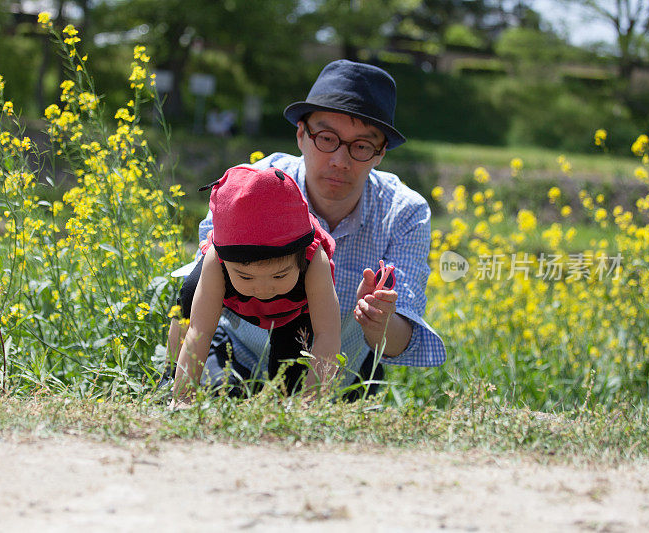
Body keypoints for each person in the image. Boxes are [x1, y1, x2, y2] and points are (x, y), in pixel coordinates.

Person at [174, 58, 447, 400]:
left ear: (381, 153)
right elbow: (199, 287)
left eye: (362, 146)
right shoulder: (249, 188)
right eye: (326, 138)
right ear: (301, 134)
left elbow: (401, 341)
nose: (340, 160)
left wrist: (378, 322)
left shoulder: (404, 212)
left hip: (339, 377)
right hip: (235, 360)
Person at [170, 165, 341, 402]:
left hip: (294, 307)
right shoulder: (217, 260)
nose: (262, 289)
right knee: (188, 302)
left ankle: (287, 405)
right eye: (247, 277)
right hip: (224, 286)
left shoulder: (314, 260)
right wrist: (182, 399)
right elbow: (200, 331)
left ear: (301, 256)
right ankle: (170, 379)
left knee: (290, 370)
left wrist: (313, 403)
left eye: (278, 275)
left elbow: (327, 334)